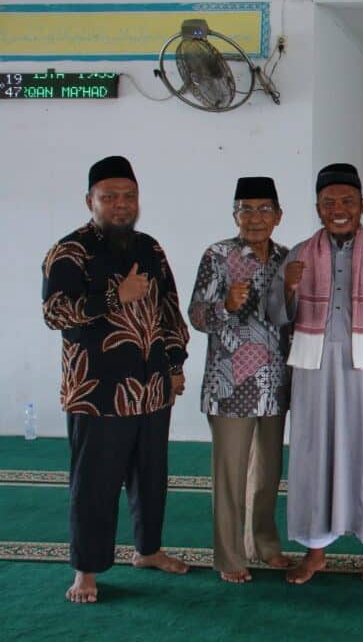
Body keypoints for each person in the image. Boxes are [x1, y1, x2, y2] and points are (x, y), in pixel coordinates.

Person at [42, 155, 191, 603]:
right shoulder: (70, 251)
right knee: (95, 484)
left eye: (129, 196)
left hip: (152, 388)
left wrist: (175, 364)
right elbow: (55, 313)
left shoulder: (149, 248)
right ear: (90, 201)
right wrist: (115, 296)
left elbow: (169, 310)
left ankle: (148, 550)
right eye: (110, 197)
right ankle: (86, 570)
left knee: (151, 476)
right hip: (98, 392)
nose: (121, 204)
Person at [267, 163, 363, 585]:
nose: (339, 209)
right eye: (329, 203)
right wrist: (287, 288)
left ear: (362, 205)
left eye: (347, 201)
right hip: (314, 370)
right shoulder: (298, 253)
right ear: (318, 208)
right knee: (314, 454)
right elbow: (276, 317)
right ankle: (315, 552)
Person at [188, 176, 292, 583]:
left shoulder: (287, 258)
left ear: (278, 215)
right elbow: (196, 315)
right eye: (245, 210)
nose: (255, 218)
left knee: (268, 474)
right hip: (230, 387)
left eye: (264, 209)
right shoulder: (217, 255)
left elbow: (294, 318)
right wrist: (225, 306)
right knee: (230, 476)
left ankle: (264, 544)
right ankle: (230, 557)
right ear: (234, 215)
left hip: (275, 385)